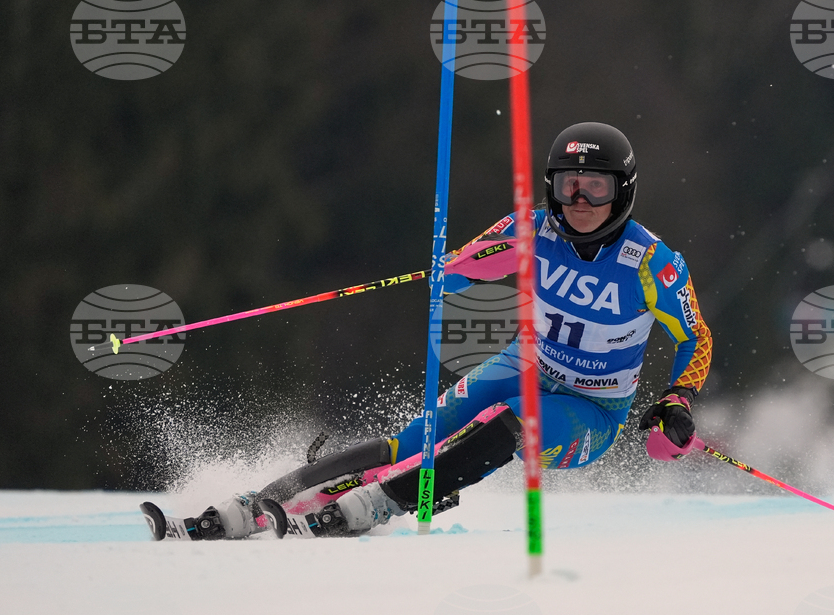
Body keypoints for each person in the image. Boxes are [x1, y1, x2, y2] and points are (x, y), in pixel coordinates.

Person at [152, 122, 712, 540]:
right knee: (417, 435)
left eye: (597, 188)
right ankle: (265, 498)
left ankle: (382, 503)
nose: (581, 202)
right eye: (569, 186)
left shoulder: (653, 264)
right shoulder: (533, 229)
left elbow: (696, 338)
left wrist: (677, 400)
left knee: (510, 423)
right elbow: (469, 265)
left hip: (591, 408)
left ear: (624, 191)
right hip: (524, 363)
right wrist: (448, 272)